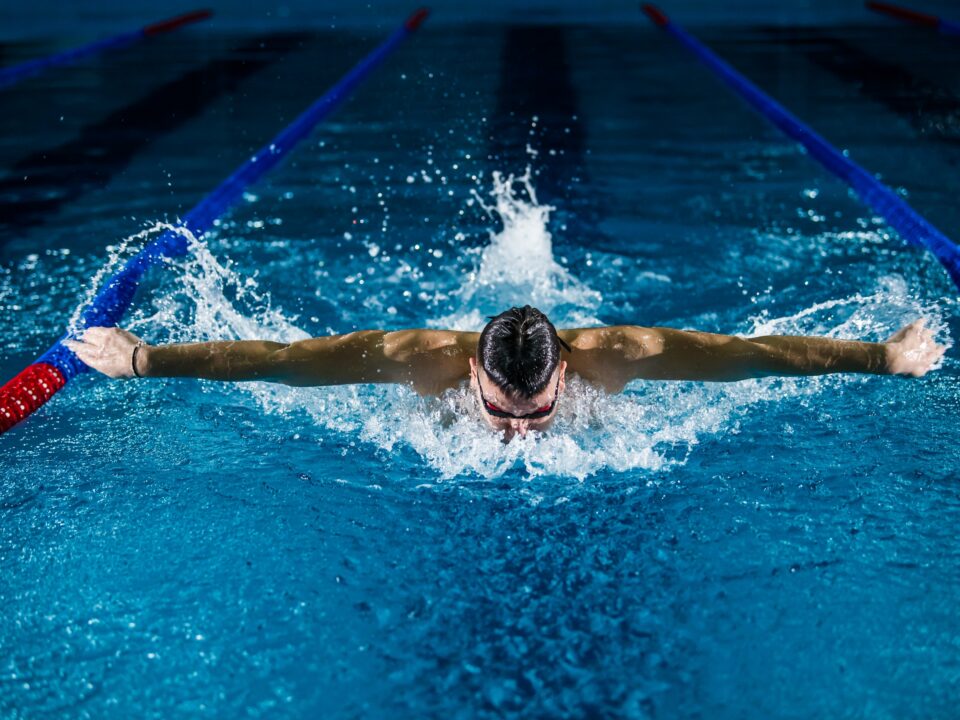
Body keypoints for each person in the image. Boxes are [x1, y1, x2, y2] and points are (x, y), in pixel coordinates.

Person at [65, 305, 945, 441]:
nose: (517, 433)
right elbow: (285, 363)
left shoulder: (622, 355)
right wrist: (144, 359)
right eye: (500, 410)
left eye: (535, 413)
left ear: (567, 367)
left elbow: (754, 355)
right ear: (472, 375)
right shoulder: (419, 361)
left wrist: (882, 358)